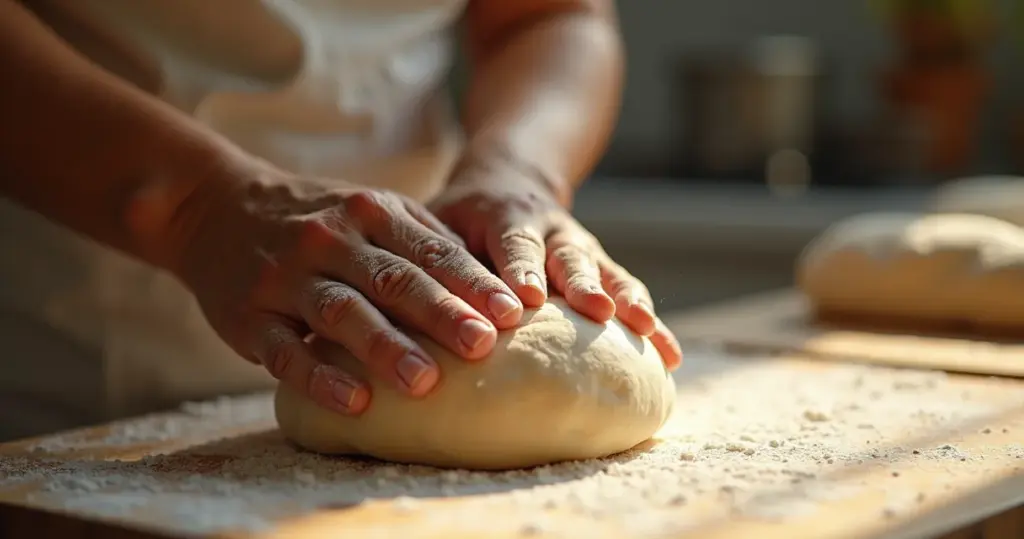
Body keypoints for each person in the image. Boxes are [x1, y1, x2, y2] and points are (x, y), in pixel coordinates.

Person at [0, 0, 682, 441]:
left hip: (420, 276)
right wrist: (194, 208)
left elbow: (547, 14)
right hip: (72, 364)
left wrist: (519, 169)